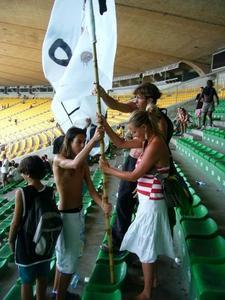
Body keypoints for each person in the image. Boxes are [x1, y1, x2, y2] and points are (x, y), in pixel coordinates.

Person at [100, 110, 175, 300]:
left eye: (134, 131)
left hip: (152, 203)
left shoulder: (156, 143)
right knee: (148, 243)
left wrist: (109, 170)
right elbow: (121, 143)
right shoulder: (148, 140)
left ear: (144, 127)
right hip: (147, 200)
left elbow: (134, 175)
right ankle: (153, 280)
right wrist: (105, 125)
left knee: (147, 246)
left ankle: (147, 293)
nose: (132, 135)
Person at [95, 82, 173, 252]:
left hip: (148, 168)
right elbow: (116, 108)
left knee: (128, 202)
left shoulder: (158, 123)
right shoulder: (140, 115)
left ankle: (126, 242)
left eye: (138, 97)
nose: (134, 100)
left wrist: (144, 178)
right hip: (136, 163)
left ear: (150, 100)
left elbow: (156, 150)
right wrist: (102, 95)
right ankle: (123, 238)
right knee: (124, 200)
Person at [52, 126, 111, 300]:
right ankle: (60, 297)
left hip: (77, 215)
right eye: (79, 141)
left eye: (84, 141)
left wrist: (103, 205)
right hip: (65, 216)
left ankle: (57, 292)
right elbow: (73, 163)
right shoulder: (58, 159)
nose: (82, 144)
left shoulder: (83, 165)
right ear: (68, 143)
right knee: (67, 263)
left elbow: (92, 191)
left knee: (63, 260)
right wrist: (93, 141)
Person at [8, 156, 54, 300]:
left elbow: (15, 222)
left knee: (26, 282)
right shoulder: (50, 190)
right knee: (42, 277)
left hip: (26, 244)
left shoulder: (21, 192)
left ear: (27, 173)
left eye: (22, 172)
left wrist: (11, 241)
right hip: (45, 243)